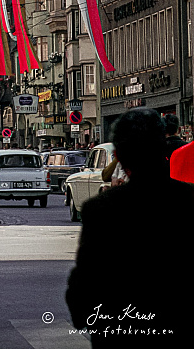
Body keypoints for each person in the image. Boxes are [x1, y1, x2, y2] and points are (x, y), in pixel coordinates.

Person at [66, 108, 194, 347]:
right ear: (163, 148)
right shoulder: (188, 201)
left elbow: (84, 284)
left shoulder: (101, 210)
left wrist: (92, 319)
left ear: (119, 156)